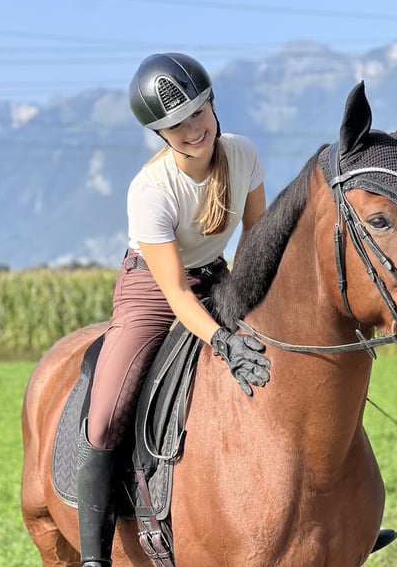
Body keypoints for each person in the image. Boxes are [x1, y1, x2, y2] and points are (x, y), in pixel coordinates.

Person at [76, 52, 272, 567]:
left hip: (222, 280)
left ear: (212, 105)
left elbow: (258, 243)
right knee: (105, 417)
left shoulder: (244, 154)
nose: (191, 130)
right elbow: (177, 294)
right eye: (175, 125)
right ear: (161, 134)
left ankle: (340, 512)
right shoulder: (151, 190)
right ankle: (96, 556)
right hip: (153, 292)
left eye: (196, 114)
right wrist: (223, 340)